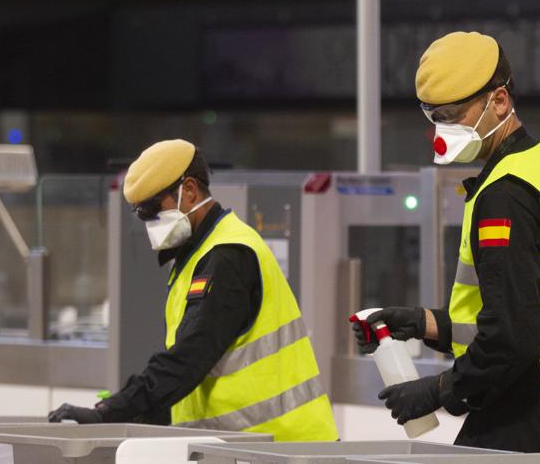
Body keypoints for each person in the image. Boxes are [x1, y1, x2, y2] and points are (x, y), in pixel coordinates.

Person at [353, 31, 540, 453]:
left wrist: (438, 390)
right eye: (433, 116)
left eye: (452, 115)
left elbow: (511, 339)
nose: (441, 130)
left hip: (528, 414)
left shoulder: (506, 196)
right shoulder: (535, 167)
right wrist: (420, 323)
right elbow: (513, 315)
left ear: (500, 101)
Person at [49, 139, 338, 441]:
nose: (149, 222)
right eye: (140, 214)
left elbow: (189, 358)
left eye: (153, 209)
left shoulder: (227, 255)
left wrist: (109, 411)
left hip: (284, 446)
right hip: (248, 447)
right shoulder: (198, 256)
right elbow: (194, 373)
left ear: (188, 190)